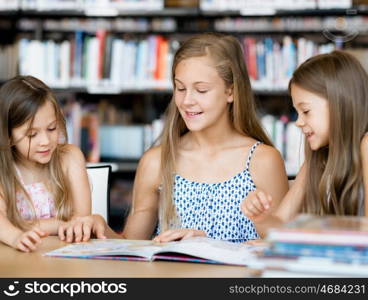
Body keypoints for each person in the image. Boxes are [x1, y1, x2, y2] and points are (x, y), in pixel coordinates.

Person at [70, 33, 289, 243]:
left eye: (201, 90)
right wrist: (99, 227)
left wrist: (208, 245)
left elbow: (281, 247)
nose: (187, 101)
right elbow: (130, 245)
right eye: (180, 88)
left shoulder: (263, 161)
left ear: (231, 92)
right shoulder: (157, 161)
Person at [241, 50, 368, 237]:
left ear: (340, 104)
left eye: (306, 111)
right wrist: (261, 217)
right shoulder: (317, 160)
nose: (298, 122)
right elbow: (276, 229)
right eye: (296, 112)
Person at [0, 75, 92, 252]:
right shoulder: (4, 170)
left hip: (66, 261)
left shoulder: (70, 158)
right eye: (32, 134)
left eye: (52, 128)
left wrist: (26, 226)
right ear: (8, 135)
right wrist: (16, 236)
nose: (45, 141)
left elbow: (80, 221)